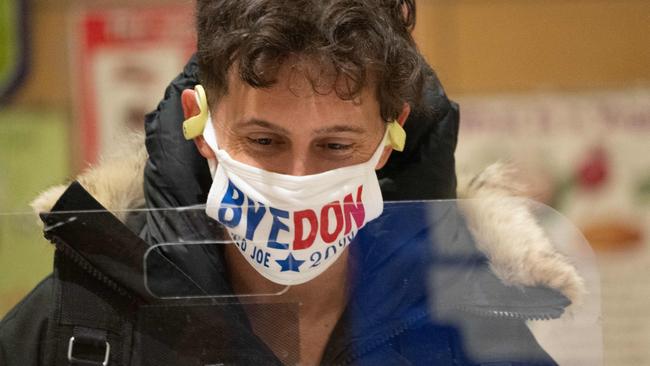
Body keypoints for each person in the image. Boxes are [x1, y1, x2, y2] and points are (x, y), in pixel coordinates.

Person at [0, 1, 585, 365]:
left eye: (335, 146)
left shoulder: (474, 336)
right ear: (198, 122)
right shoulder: (79, 321)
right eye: (263, 140)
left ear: (390, 137)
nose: (296, 180)